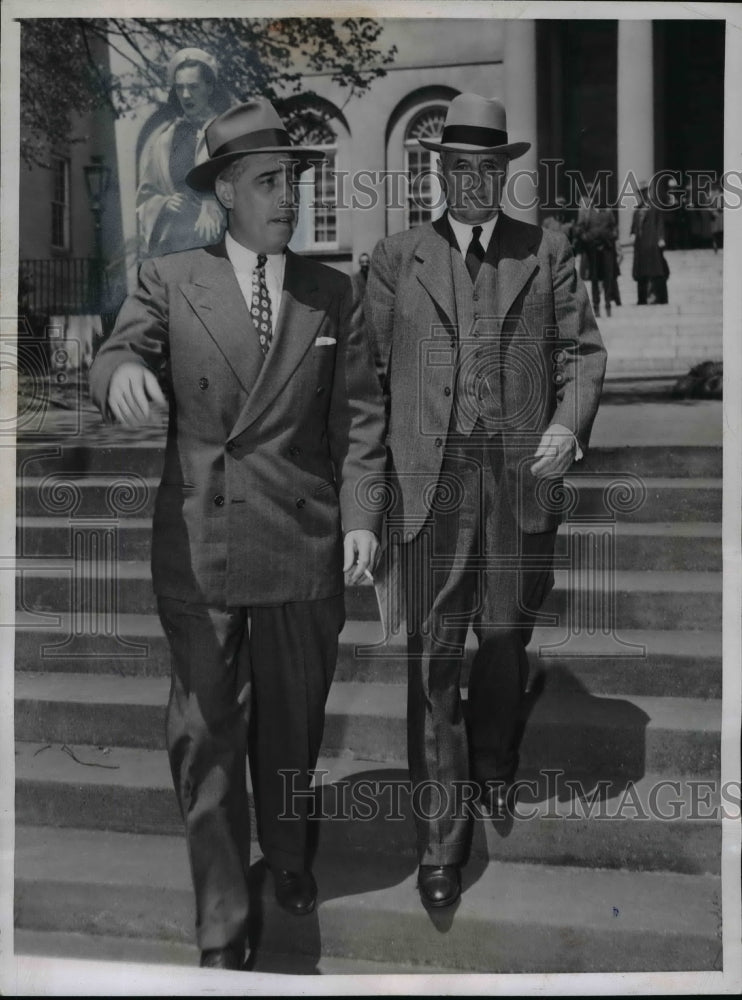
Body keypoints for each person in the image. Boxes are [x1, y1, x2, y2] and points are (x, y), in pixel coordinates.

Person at [90, 98, 386, 970]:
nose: (287, 198)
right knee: (207, 737)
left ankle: (290, 856)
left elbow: (361, 419)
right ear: (226, 193)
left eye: (292, 180)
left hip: (303, 545)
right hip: (201, 545)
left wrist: (363, 518)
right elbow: (118, 351)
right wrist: (120, 379)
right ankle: (222, 919)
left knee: (292, 727)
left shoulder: (333, 291)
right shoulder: (171, 278)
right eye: (268, 182)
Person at [364, 93, 606, 910]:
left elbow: (582, 355)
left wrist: (569, 429)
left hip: (515, 480)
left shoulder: (546, 251)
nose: (472, 183)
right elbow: (366, 382)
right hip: (429, 483)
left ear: (504, 174)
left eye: (487, 170)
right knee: (433, 659)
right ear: (440, 172)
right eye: (458, 168)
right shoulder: (398, 258)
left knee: (502, 635)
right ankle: (441, 843)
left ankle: (495, 759)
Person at [136, 47, 232, 256]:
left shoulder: (226, 133)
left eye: (193, 87)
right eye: (179, 88)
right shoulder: (164, 140)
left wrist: (212, 203)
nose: (186, 95)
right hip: (174, 243)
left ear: (210, 87)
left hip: (216, 243)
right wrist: (164, 203)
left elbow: (244, 185)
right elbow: (145, 196)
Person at [573, 193, 619, 317]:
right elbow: (580, 229)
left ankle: (608, 303)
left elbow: (614, 228)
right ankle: (596, 305)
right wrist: (586, 238)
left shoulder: (608, 213)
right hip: (593, 251)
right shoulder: (588, 213)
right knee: (594, 278)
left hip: (607, 249)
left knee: (608, 278)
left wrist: (611, 237)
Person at [631, 180, 668, 304]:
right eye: (640, 192)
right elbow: (634, 227)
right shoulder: (637, 210)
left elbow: (660, 223)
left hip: (652, 243)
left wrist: (661, 238)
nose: (642, 194)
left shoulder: (655, 206)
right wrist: (632, 234)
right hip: (640, 245)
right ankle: (641, 299)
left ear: (648, 192)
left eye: (644, 191)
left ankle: (659, 298)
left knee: (656, 271)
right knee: (641, 273)